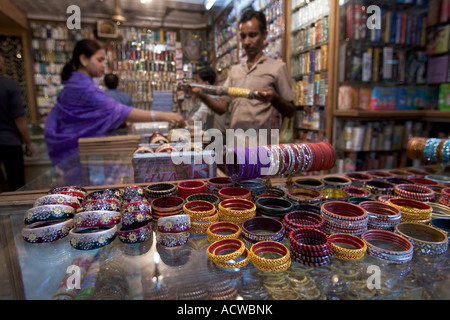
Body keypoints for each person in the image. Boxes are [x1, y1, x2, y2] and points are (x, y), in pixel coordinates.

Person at [44, 39, 184, 166]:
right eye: (100, 60)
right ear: (84, 59)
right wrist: (163, 116)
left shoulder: (74, 84)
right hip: (79, 155)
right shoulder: (84, 89)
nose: (104, 65)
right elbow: (121, 111)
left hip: (74, 152)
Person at [189, 9, 295, 146]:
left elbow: (291, 111)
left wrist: (274, 98)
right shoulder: (235, 70)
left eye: (252, 35)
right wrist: (201, 95)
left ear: (264, 35)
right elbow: (222, 108)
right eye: (243, 36)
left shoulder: (277, 68)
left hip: (260, 147)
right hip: (234, 145)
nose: (247, 41)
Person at [0, 54, 35, 191]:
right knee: (16, 185)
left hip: (10, 140)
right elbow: (19, 118)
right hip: (10, 142)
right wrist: (28, 143)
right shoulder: (9, 85)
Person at [186, 66, 226, 135]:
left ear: (206, 83)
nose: (195, 83)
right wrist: (193, 98)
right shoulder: (203, 98)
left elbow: (195, 119)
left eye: (197, 81)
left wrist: (184, 122)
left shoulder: (213, 98)